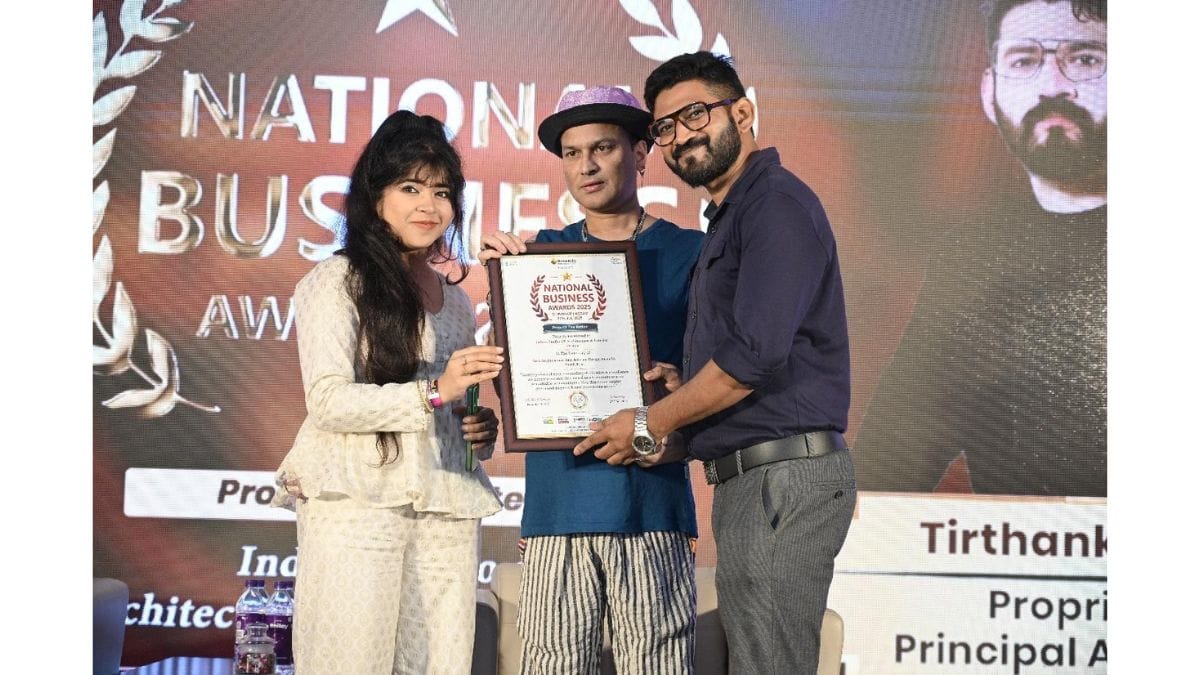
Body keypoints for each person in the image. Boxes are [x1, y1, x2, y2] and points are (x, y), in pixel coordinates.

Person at [576, 54, 857, 675]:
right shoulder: (733, 216)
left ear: (743, 112)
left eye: (696, 114)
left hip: (782, 480)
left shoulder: (774, 206)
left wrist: (649, 421)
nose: (681, 135)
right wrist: (684, 408)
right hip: (755, 481)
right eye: (665, 127)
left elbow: (752, 358)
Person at [271, 110, 506, 675]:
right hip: (358, 502)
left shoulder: (454, 299)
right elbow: (328, 401)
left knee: (440, 664)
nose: (430, 206)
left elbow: (451, 402)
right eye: (411, 188)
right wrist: (433, 393)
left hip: (445, 506)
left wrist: (477, 429)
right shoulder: (337, 281)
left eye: (442, 192)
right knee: (351, 662)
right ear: (376, 197)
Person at [478, 86, 702, 674]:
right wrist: (502, 293)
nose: (587, 166)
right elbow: (509, 381)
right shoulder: (535, 256)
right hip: (557, 510)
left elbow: (718, 378)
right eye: (573, 153)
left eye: (603, 148)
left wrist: (682, 388)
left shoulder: (692, 252)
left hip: (650, 508)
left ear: (640, 153)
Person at [854, 0, 1106, 497]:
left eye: (1084, 58)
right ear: (989, 94)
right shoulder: (973, 258)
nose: (1052, 85)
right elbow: (891, 460)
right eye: (1024, 60)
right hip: (1014, 545)